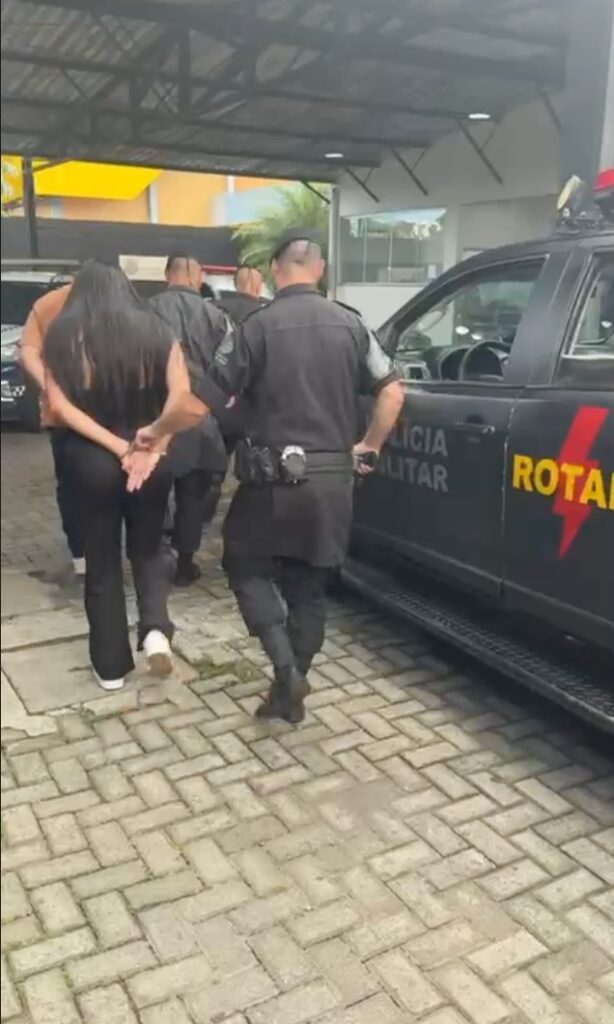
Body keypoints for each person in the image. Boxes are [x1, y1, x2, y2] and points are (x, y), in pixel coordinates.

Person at [132, 230, 404, 723]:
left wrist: (156, 430)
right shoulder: (353, 325)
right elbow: (392, 392)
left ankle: (286, 670)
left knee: (244, 565)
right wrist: (370, 445)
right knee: (309, 589)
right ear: (319, 270)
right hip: (333, 482)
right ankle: (287, 691)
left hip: (270, 483)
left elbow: (199, 404)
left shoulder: (256, 327)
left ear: (276, 270)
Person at [43, 260, 200, 690]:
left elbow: (60, 407)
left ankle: (111, 668)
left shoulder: (64, 335)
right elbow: (181, 399)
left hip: (91, 461)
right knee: (148, 549)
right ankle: (155, 631)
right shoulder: (159, 331)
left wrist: (117, 447)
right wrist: (153, 447)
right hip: (150, 461)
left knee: (102, 561)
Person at [150, 254, 231, 586]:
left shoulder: (145, 312)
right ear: (198, 278)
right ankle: (185, 561)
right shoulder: (217, 317)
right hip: (200, 417)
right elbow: (229, 367)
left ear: (167, 275)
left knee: (154, 491)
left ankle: (153, 557)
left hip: (156, 417)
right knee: (193, 494)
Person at [19, 276, 86, 575]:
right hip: (107, 413)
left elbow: (28, 352)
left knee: (70, 485)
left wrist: (49, 388)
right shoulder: (116, 300)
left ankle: (81, 554)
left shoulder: (47, 304)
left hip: (60, 416)